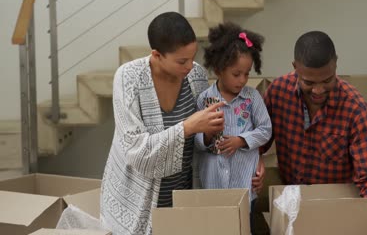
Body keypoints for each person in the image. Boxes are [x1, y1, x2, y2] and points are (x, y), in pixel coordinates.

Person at [100, 12, 228, 235]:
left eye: (192, 57)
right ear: (157, 55)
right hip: (135, 200)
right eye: (181, 61)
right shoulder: (128, 78)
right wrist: (187, 127)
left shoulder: (196, 75)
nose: (190, 66)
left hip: (183, 194)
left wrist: (207, 133)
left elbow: (199, 143)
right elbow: (135, 150)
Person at [261, 31, 367, 197]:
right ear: (295, 68)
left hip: (334, 203)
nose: (318, 90)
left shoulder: (355, 108)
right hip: (290, 195)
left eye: (327, 80)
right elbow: (256, 142)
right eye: (309, 82)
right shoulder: (278, 93)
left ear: (336, 64)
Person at [194, 22, 272, 230]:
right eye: (236, 74)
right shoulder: (205, 99)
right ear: (219, 70)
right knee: (215, 227)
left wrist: (241, 140)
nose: (242, 80)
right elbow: (196, 141)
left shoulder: (252, 97)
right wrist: (208, 136)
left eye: (247, 74)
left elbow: (266, 130)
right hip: (214, 183)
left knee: (243, 225)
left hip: (245, 181)